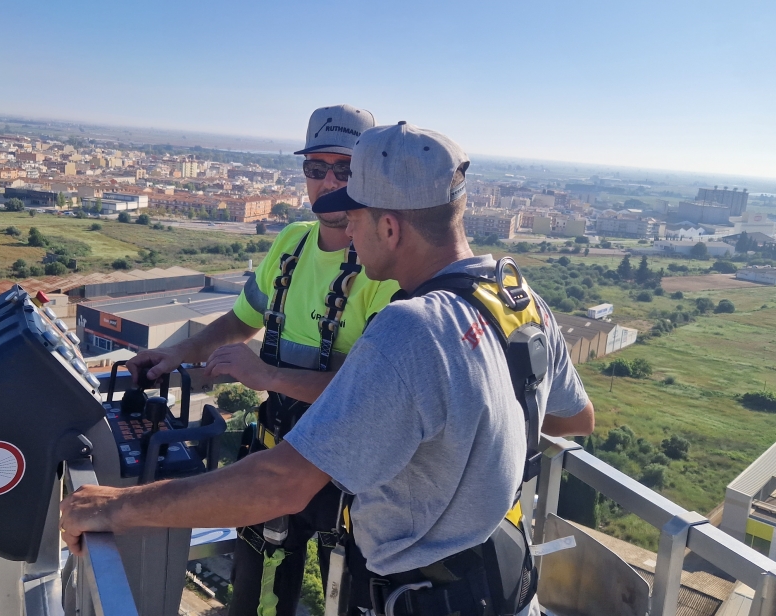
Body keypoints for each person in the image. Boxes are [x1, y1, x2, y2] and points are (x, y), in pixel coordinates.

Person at [60, 123, 594, 616]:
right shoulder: (519, 299)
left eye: (354, 216)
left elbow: (280, 484)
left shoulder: (411, 329)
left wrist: (115, 508)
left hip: (428, 594)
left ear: (389, 226)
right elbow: (575, 419)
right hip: (506, 580)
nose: (347, 234)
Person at [122, 104, 399, 616]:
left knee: (349, 597)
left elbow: (367, 392)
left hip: (351, 476)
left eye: (345, 169)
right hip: (277, 453)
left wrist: (263, 374)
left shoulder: (385, 267)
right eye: (316, 169)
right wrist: (174, 354)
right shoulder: (292, 243)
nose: (329, 181)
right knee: (254, 595)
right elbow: (238, 321)